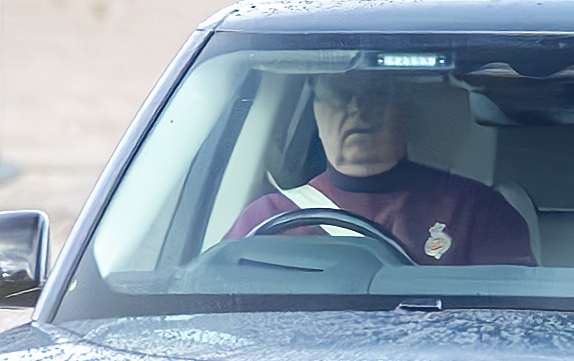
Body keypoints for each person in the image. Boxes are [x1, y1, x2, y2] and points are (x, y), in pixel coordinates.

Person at [225, 72, 536, 266]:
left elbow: (508, 329)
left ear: (401, 113)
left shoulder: (476, 211)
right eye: (341, 94)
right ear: (316, 115)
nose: (358, 110)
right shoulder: (268, 219)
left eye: (374, 94)